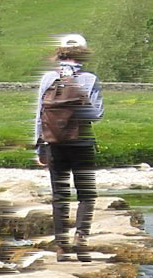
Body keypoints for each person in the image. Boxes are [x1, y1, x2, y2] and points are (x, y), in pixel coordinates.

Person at [34, 34, 103, 262]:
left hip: (54, 143)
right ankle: (81, 240)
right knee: (85, 194)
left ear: (59, 52)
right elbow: (96, 114)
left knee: (59, 195)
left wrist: (39, 147)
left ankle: (61, 247)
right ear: (83, 53)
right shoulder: (90, 79)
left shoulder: (47, 78)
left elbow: (39, 115)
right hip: (82, 142)